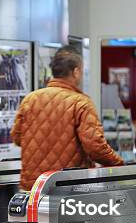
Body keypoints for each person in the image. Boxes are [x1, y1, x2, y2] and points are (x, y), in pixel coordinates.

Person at [11, 46, 124, 191]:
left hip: (33, 187)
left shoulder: (30, 99)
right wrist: (119, 164)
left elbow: (17, 137)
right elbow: (95, 147)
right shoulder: (81, 103)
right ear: (76, 72)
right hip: (68, 187)